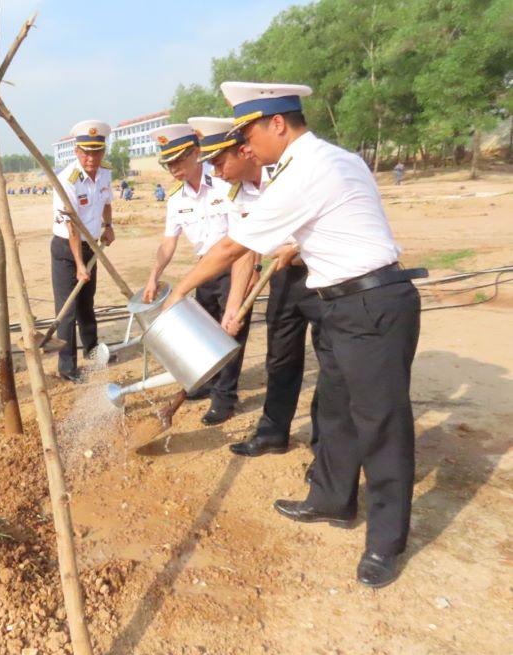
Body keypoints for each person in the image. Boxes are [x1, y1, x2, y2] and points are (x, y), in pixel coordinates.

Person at [164, 82, 425, 588]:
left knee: (381, 423)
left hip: (370, 304)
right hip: (345, 303)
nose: (246, 147)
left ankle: (386, 542)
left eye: (249, 134)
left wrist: (179, 293)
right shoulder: (334, 158)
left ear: (277, 124)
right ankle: (331, 499)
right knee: (335, 408)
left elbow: (228, 249)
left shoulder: (305, 170)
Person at [189, 118, 325, 459]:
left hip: (323, 273)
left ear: (243, 151)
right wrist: (232, 309)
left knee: (331, 364)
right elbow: (244, 250)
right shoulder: (235, 192)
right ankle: (273, 433)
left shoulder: (288, 172)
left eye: (221, 163)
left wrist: (296, 248)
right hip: (284, 279)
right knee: (280, 358)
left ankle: (325, 450)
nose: (217, 173)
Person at [141, 123, 256, 425]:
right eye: (168, 163)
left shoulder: (225, 182)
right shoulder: (176, 199)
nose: (173, 168)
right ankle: (205, 382)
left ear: (195, 153)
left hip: (236, 266)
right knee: (203, 334)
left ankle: (225, 398)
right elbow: (169, 242)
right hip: (205, 270)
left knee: (230, 331)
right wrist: (154, 274)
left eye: (179, 160)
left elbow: (245, 236)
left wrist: (252, 268)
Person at [51, 120, 116, 382]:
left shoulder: (105, 173)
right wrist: (78, 264)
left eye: (97, 152)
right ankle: (67, 367)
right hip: (67, 249)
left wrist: (108, 226)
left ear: (103, 152)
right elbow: (72, 226)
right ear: (77, 152)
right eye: (86, 152)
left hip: (90, 246)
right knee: (67, 311)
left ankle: (92, 352)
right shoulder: (67, 179)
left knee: (87, 304)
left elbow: (107, 202)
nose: (92, 158)